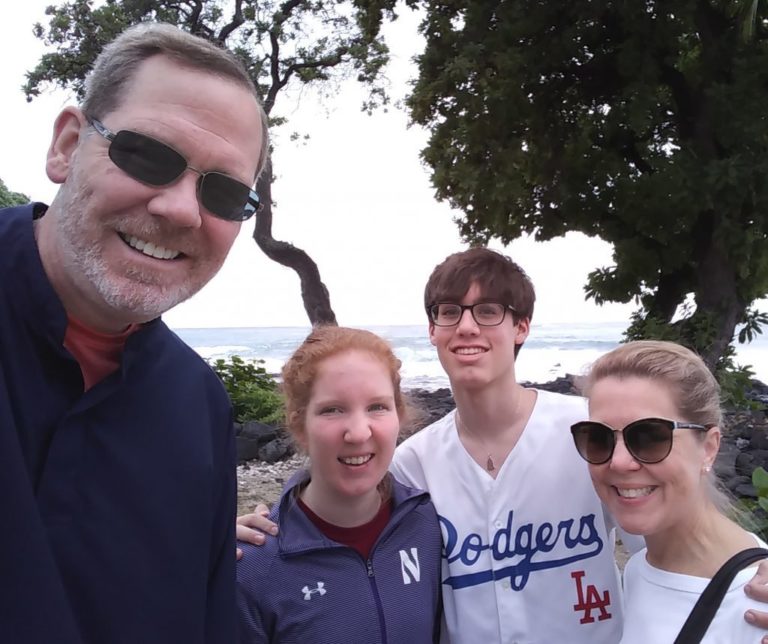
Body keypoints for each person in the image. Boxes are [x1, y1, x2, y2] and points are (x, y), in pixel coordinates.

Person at [237, 248, 768, 641]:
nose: (467, 325)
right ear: (433, 330)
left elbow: (677, 513)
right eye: (450, 312)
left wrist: (755, 563)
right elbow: (338, 493)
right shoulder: (411, 465)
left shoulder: (590, 433)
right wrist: (253, 524)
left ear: (521, 327)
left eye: (489, 310)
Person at [1, 22, 268, 644]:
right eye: (147, 155)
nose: (179, 209)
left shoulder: (199, 405)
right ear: (67, 145)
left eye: (226, 193)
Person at [237, 326, 443, 643]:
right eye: (333, 409)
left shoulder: (428, 525)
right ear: (299, 425)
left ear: (398, 416)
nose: (359, 433)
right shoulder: (252, 567)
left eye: (377, 407)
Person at [571, 340, 768, 642]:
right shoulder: (640, 569)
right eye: (597, 437)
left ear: (709, 447)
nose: (619, 462)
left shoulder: (754, 604)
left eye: (650, 436)